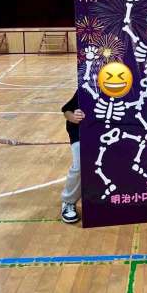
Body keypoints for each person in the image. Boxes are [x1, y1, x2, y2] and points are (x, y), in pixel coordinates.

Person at [60, 90, 84, 223]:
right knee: (80, 163)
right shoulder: (89, 84)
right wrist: (74, 117)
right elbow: (67, 111)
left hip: (111, 130)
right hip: (81, 132)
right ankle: (69, 201)